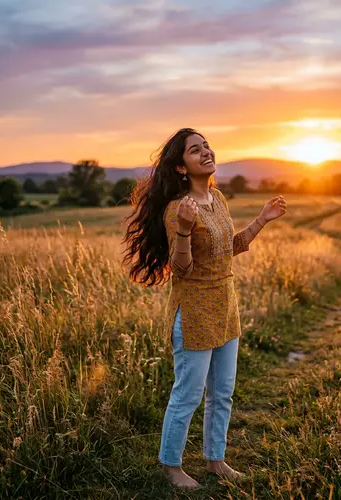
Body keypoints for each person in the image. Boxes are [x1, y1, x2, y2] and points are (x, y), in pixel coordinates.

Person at [123, 128, 287, 489]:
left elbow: (230, 247)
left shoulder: (218, 198)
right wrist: (183, 230)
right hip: (194, 311)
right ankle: (171, 465)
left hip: (226, 307)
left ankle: (216, 460)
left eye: (206, 146)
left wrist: (262, 219)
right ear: (181, 168)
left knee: (223, 391)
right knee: (188, 393)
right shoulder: (177, 210)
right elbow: (181, 270)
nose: (206, 152)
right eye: (195, 150)